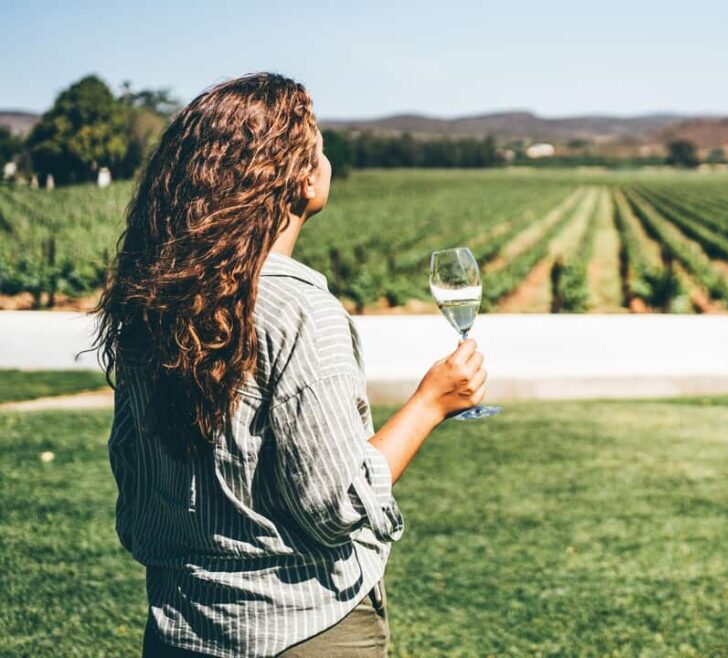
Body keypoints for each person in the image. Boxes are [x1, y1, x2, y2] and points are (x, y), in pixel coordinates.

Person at [92, 72, 487, 657]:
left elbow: (137, 487)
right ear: (300, 179)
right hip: (304, 632)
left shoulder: (154, 299)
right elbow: (337, 505)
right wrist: (432, 402)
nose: (326, 156)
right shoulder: (301, 309)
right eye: (318, 143)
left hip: (180, 630)